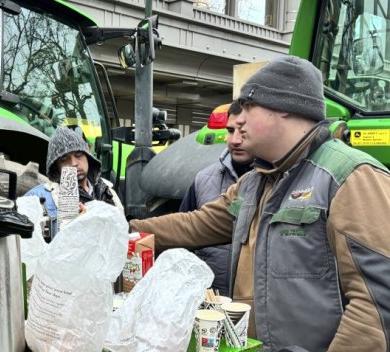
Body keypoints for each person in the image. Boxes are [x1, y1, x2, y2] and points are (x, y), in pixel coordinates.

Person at [130, 56, 390, 351]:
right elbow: (196, 223)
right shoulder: (257, 181)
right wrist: (125, 230)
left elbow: (378, 304)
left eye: (250, 106)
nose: (239, 118)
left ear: (284, 108)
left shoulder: (349, 177)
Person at [179, 101, 253, 295]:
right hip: (208, 306)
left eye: (243, 131)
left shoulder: (277, 182)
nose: (235, 140)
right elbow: (183, 238)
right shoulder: (203, 180)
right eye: (230, 130)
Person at [25, 126, 123, 238]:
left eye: (78, 155)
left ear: (88, 154)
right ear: (56, 166)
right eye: (64, 159)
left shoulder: (107, 190)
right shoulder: (37, 199)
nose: (74, 163)